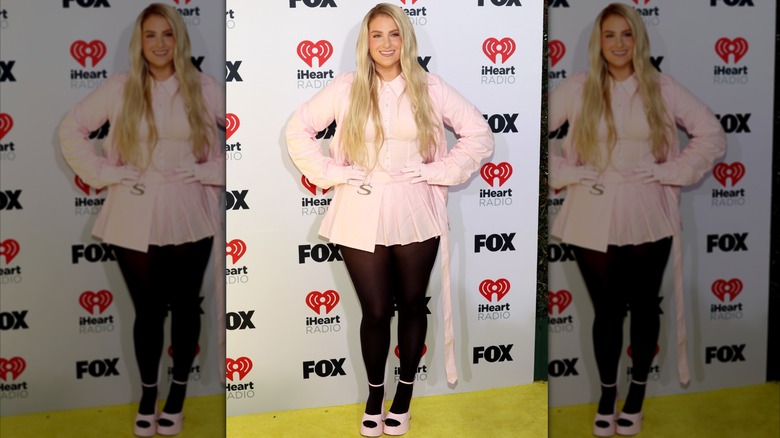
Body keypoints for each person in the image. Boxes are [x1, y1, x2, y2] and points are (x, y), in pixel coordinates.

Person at [286, 3, 493, 436]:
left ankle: (404, 396)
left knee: (413, 303)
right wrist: (333, 173)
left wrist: (439, 171)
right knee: (376, 311)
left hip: (415, 205)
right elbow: (297, 130)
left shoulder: (429, 86)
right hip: (358, 207)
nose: (386, 43)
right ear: (366, 41)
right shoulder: (346, 87)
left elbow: (478, 134)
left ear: (406, 40)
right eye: (377, 35)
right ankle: (375, 394)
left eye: (394, 34)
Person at [548, 3, 725, 437]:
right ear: (598, 42)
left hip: (648, 208)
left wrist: (672, 171)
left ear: (638, 40)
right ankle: (608, 395)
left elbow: (712, 134)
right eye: (610, 35)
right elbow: (533, 134)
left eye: (626, 34)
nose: (619, 43)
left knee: (645, 306)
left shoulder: (661, 87)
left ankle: (637, 396)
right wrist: (567, 172)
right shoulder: (579, 87)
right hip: (591, 210)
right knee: (606, 312)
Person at [58, 3, 224, 436]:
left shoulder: (204, 88)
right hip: (132, 210)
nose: (159, 44)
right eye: (151, 35)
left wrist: (212, 170)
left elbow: (247, 135)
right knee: (147, 312)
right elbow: (70, 130)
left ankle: (178, 396)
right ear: (140, 42)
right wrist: (104, 173)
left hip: (188, 207)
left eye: (167, 34)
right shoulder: (121, 87)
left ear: (179, 40)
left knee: (185, 307)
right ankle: (149, 395)